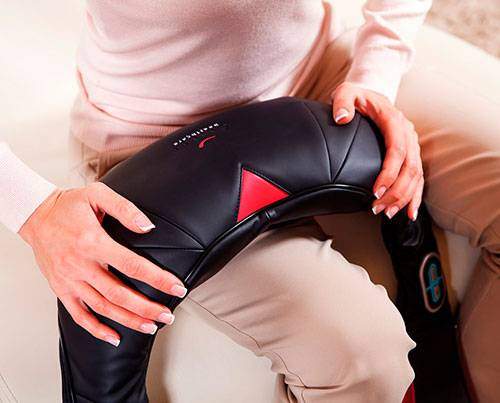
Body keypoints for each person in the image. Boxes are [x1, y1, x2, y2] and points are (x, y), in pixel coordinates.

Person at [1, 0, 499, 401]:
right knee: (363, 358)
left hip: (322, 77)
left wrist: (377, 70)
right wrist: (34, 210)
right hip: (151, 139)